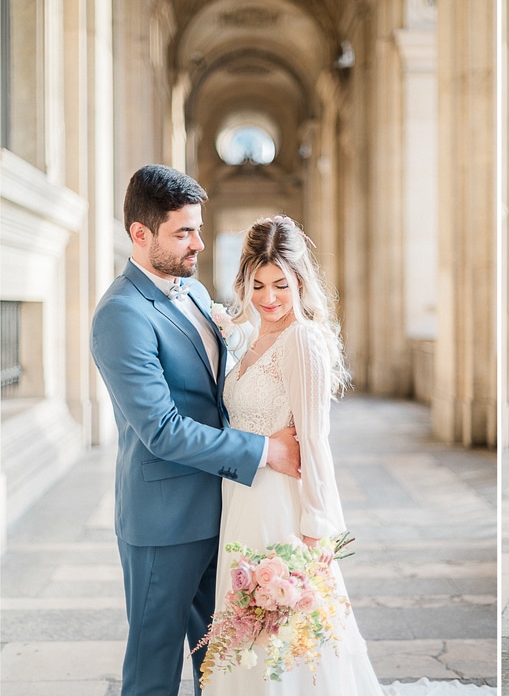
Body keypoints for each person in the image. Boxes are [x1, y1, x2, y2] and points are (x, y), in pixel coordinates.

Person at [90, 165, 302, 696]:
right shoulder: (121, 314)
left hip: (225, 511)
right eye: (183, 231)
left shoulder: (193, 291)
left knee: (225, 663)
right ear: (140, 234)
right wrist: (265, 451)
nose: (199, 243)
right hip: (164, 524)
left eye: (198, 228)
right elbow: (161, 430)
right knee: (153, 670)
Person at [202, 215, 383, 694]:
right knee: (246, 635)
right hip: (241, 501)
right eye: (257, 284)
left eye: (281, 284)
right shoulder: (247, 336)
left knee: (287, 638)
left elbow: (315, 441)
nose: (269, 298)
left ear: (300, 280)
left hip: (283, 507)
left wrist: (316, 531)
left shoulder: (302, 340)